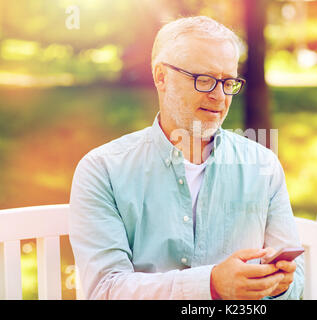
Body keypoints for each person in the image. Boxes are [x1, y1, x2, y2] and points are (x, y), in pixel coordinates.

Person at [69, 15, 305, 300]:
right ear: (161, 77)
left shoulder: (263, 166)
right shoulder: (102, 170)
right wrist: (211, 285)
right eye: (204, 80)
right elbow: (105, 290)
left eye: (227, 81)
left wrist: (279, 284)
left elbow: (296, 282)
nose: (219, 96)